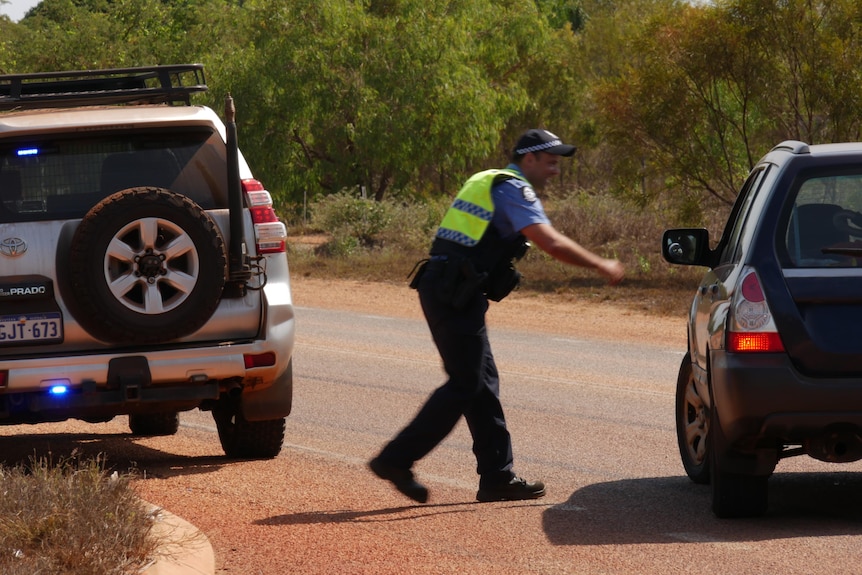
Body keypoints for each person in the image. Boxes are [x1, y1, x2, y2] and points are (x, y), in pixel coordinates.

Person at [369, 129, 625, 503]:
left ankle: (496, 477)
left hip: (453, 288)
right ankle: (395, 459)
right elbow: (549, 241)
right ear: (529, 159)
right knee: (466, 383)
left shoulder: (487, 179)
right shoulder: (513, 188)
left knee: (482, 381)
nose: (556, 170)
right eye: (551, 161)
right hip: (452, 291)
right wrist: (600, 264)